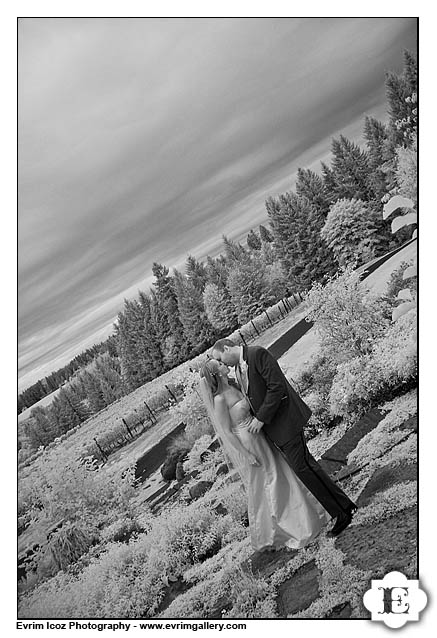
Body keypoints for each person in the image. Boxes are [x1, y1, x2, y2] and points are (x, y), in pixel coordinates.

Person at [210, 338, 357, 537]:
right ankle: (345, 507)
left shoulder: (257, 354)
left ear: (226, 348)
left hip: (287, 422)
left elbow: (276, 387)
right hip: (276, 430)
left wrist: (261, 418)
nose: (223, 364)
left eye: (221, 358)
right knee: (307, 468)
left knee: (305, 469)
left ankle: (342, 513)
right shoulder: (237, 369)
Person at [199, 359, 331, 551]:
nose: (223, 363)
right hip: (248, 441)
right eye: (218, 364)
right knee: (270, 480)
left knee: (280, 473)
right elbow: (226, 432)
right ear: (217, 373)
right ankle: (287, 527)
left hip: (259, 434)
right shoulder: (219, 399)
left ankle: (306, 513)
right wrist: (245, 454)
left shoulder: (235, 384)